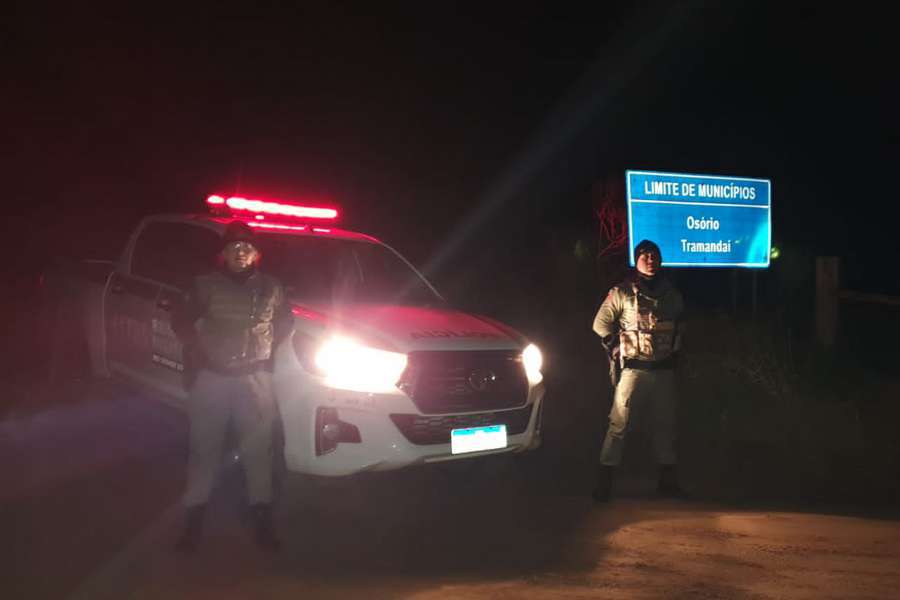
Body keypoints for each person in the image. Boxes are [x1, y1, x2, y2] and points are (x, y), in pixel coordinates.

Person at [172, 220, 292, 551]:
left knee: (258, 451)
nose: (240, 252)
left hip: (255, 379)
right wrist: (199, 352)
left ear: (256, 254)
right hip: (213, 378)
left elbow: (285, 323)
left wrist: (265, 355)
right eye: (233, 247)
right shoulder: (203, 285)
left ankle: (262, 518)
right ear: (223, 253)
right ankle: (193, 521)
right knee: (204, 449)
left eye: (247, 247)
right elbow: (180, 321)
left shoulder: (272, 287)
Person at [591, 239, 685, 502]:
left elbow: (680, 326)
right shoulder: (622, 292)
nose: (651, 260)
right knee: (618, 424)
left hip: (664, 369)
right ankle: (604, 483)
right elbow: (600, 324)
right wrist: (612, 345)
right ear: (637, 260)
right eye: (645, 256)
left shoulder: (672, 294)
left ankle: (667, 482)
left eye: (655, 255)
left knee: (665, 425)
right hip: (633, 370)